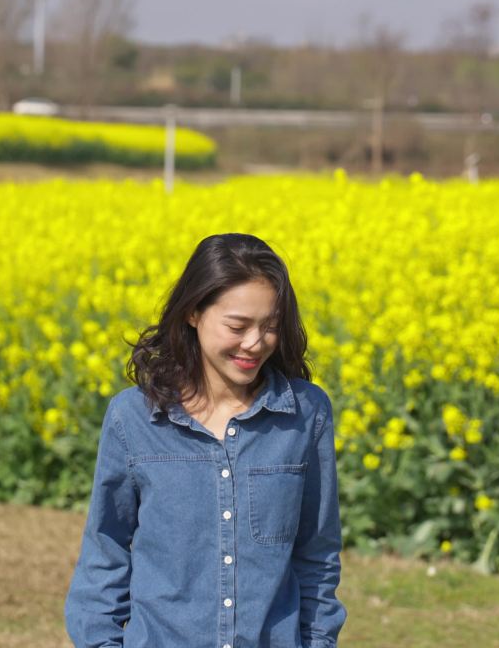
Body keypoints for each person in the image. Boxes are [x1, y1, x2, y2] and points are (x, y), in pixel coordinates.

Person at [64, 232, 347, 648]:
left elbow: (317, 555)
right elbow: (105, 552)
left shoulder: (307, 414)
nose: (255, 343)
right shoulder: (132, 418)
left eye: (270, 327)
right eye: (238, 326)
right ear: (194, 313)